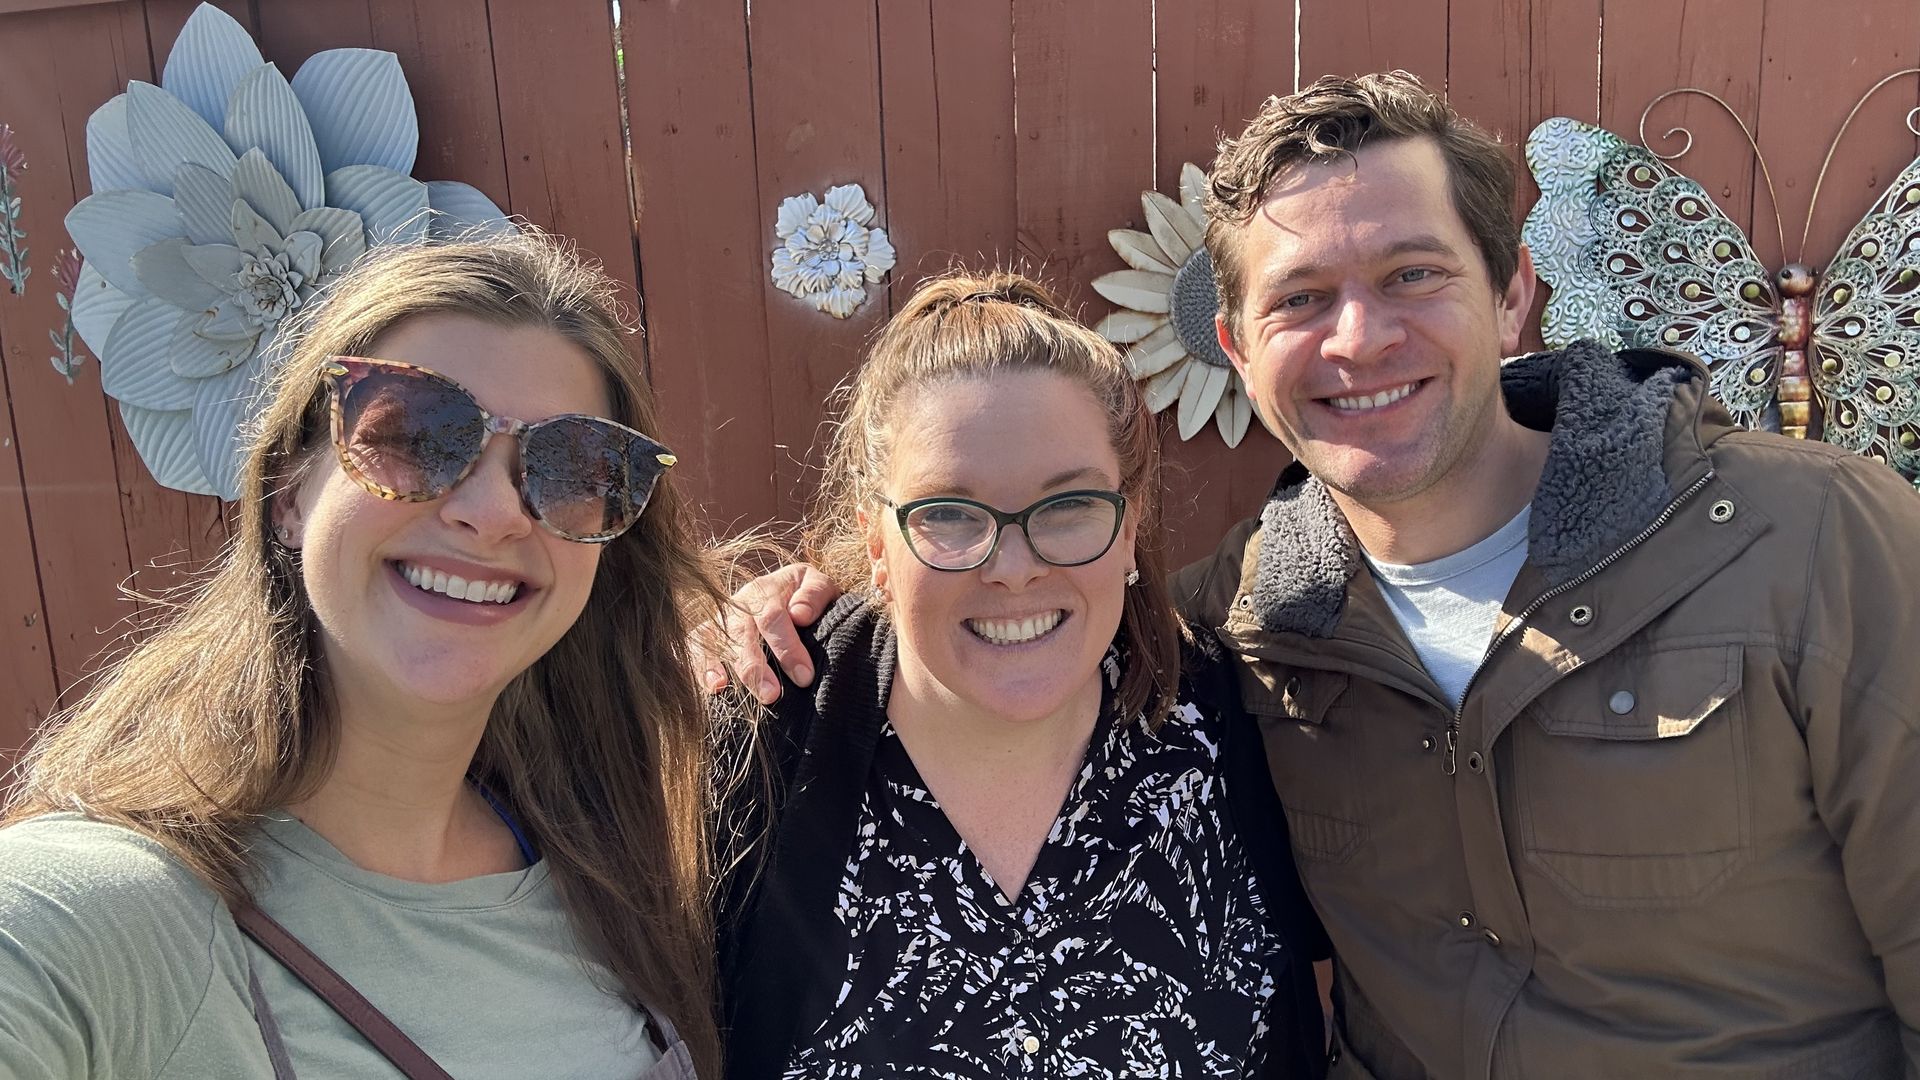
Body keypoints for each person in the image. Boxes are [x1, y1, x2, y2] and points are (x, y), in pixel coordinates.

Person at [713, 73, 1920, 1078]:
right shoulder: (1234, 632)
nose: (1358, 338)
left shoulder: (1810, 543)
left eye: (1412, 275)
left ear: (1512, 299)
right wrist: (737, 616)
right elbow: (1007, 590)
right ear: (1236, 351)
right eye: (1301, 299)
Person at [0, 231, 723, 1079]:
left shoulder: (615, 867)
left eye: (569, 467)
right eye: (416, 435)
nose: (493, 513)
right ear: (287, 494)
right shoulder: (96, 916)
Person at [711, 270, 1329, 1079]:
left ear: (1130, 520)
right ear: (876, 544)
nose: (1013, 567)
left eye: (1068, 506)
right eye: (948, 513)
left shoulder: (1226, 726)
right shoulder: (759, 744)